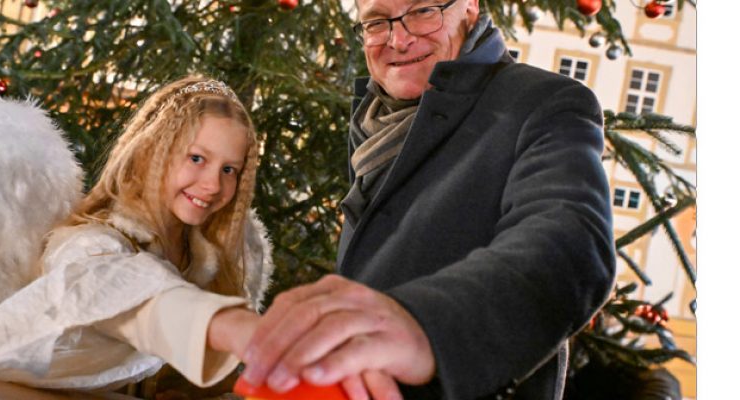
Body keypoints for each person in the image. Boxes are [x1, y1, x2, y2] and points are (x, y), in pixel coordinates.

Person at [239, 0, 616, 399]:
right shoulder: (373, 122)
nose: (398, 39)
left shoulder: (542, 102)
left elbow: (571, 244)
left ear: (469, 7)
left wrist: (423, 326)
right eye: (377, 21)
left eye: (422, 11)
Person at [0, 75, 272, 390]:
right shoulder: (93, 241)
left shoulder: (212, 258)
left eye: (229, 170)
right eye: (197, 158)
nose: (211, 184)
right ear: (152, 151)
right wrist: (229, 326)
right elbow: (108, 288)